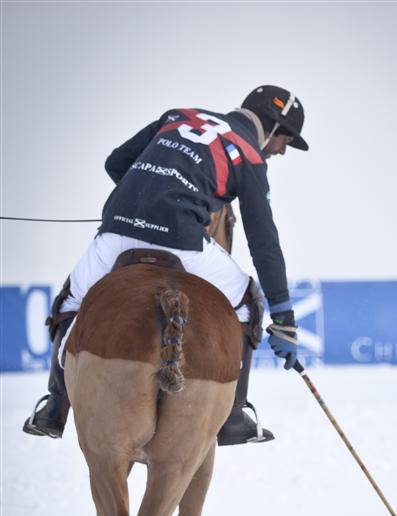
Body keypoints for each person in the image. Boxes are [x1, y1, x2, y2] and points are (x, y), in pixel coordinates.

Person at [23, 86, 308, 445]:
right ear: (272, 127)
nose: (282, 150)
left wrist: (148, 196)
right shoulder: (250, 157)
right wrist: (284, 321)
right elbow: (264, 242)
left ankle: (54, 406)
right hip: (180, 239)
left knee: (69, 301)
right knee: (249, 298)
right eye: (285, 140)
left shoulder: (179, 116)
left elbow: (115, 162)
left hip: (116, 233)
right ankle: (234, 415)